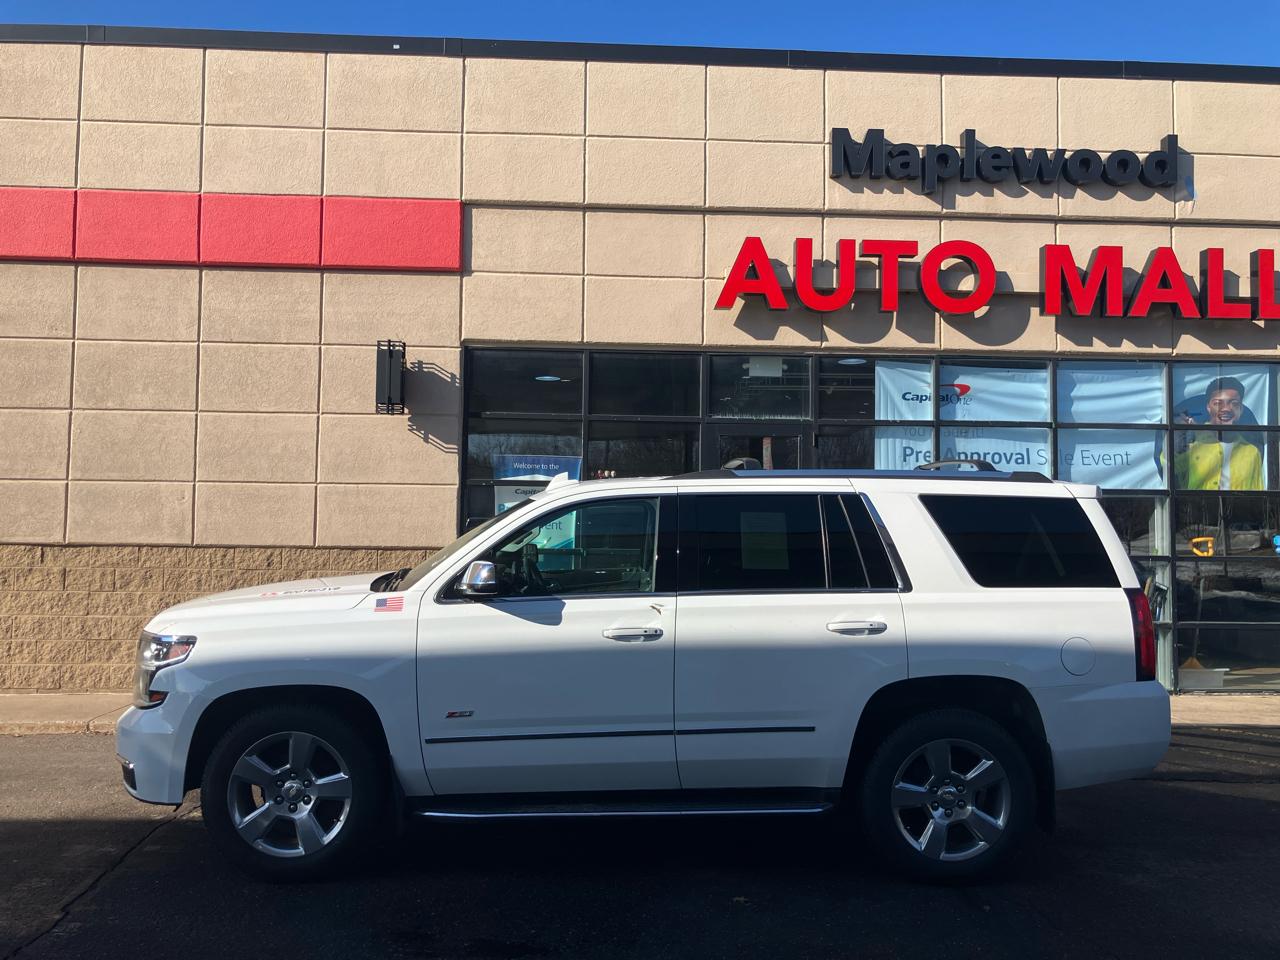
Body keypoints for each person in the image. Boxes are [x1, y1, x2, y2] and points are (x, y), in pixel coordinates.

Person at [1174, 376, 1264, 490]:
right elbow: (1169, 466)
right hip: (1196, 508)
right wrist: (1178, 433)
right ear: (1208, 408)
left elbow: (1257, 493)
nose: (1226, 409)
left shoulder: (1252, 452)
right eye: (1218, 403)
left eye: (1234, 403)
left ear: (1241, 409)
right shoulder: (1191, 441)